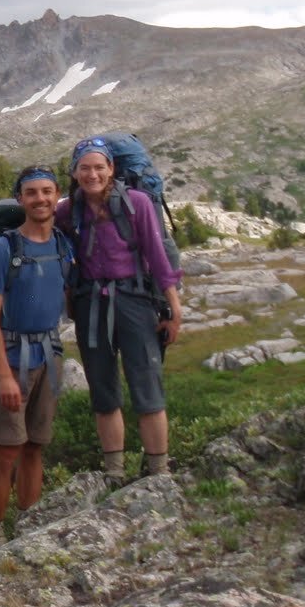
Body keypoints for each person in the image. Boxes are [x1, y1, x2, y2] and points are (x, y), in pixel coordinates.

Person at [57, 136, 183, 480]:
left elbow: (158, 257)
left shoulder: (138, 203)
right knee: (102, 389)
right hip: (90, 306)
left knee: (147, 386)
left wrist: (173, 307)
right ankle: (114, 472)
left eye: (99, 167)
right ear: (74, 171)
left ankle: (159, 470)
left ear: (112, 169)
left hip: (135, 302)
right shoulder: (67, 210)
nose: (92, 174)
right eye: (85, 168)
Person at [0, 165, 74, 546]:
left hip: (48, 356)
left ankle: (29, 528)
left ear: (57, 195)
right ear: (20, 199)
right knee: (7, 451)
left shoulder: (62, 245)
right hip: (11, 359)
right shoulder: (4, 248)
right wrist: (2, 374)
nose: (41, 199)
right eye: (32, 192)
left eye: (47, 191)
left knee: (36, 446)